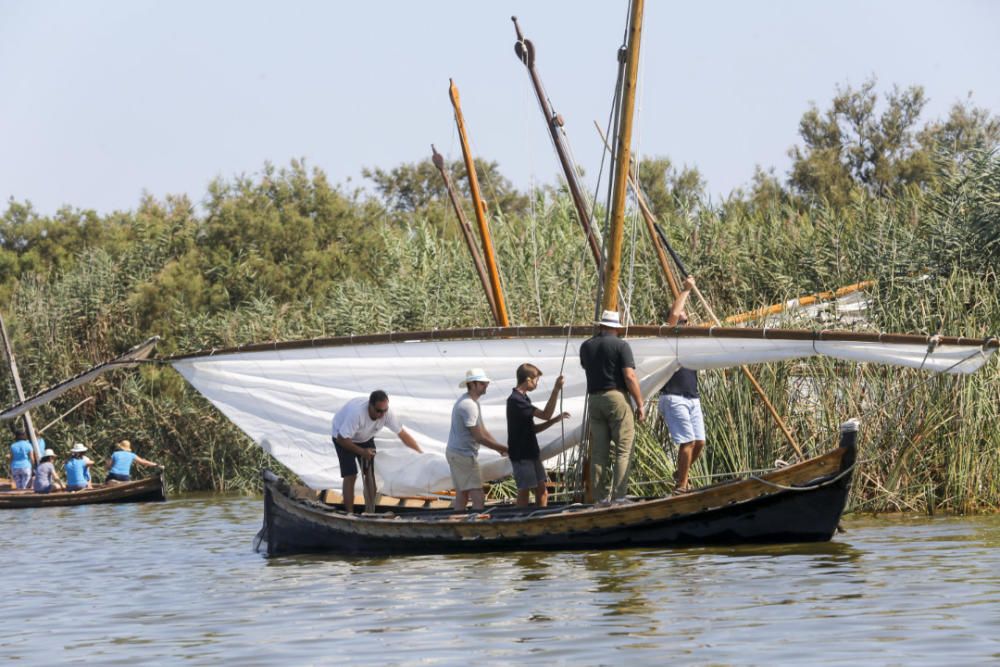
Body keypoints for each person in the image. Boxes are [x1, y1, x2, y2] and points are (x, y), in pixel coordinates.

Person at [579, 309, 645, 503]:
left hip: (594, 399)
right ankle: (619, 497)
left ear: (601, 326)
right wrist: (640, 403)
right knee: (624, 449)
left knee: (598, 453)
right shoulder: (621, 346)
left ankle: (598, 499)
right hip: (616, 397)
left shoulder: (586, 346)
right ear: (616, 328)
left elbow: (586, 367)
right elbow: (629, 376)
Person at [331, 390, 423, 513]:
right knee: (350, 475)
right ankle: (349, 513)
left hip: (365, 437)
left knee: (369, 474)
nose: (382, 415)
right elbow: (342, 439)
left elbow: (403, 435)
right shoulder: (357, 414)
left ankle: (370, 510)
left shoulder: (386, 414)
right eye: (378, 411)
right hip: (342, 436)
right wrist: (362, 452)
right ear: (370, 405)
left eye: (385, 410)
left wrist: (420, 454)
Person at [659, 275, 706, 493]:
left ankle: (680, 474)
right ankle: (681, 486)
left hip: (692, 396)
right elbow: (675, 315)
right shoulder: (668, 339)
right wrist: (686, 290)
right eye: (683, 322)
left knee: (699, 443)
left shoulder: (690, 344)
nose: (686, 324)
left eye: (687, 322)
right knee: (686, 443)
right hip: (674, 396)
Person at [506, 363, 569, 508]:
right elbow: (545, 414)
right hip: (522, 455)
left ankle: (541, 517)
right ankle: (521, 522)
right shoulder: (516, 400)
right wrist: (556, 389)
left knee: (542, 491)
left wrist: (555, 419)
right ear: (528, 380)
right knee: (524, 492)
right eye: (536, 380)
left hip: (531, 452)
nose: (536, 384)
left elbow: (532, 429)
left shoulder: (524, 399)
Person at [446, 368, 508, 511]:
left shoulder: (471, 403)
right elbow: (479, 437)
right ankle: (477, 528)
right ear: (472, 384)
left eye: (486, 383)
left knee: (462, 494)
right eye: (482, 383)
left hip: (458, 454)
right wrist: (506, 449)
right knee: (478, 495)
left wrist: (500, 449)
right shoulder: (469, 405)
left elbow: (483, 431)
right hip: (463, 456)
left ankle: (457, 527)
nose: (486, 385)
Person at [7, 424, 36, 490]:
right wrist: (33, 466)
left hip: (15, 467)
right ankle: (25, 498)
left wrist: (10, 467)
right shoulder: (28, 445)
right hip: (26, 466)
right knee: (25, 486)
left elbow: (11, 458)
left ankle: (19, 497)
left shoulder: (13, 446)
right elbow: (32, 458)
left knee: (18, 486)